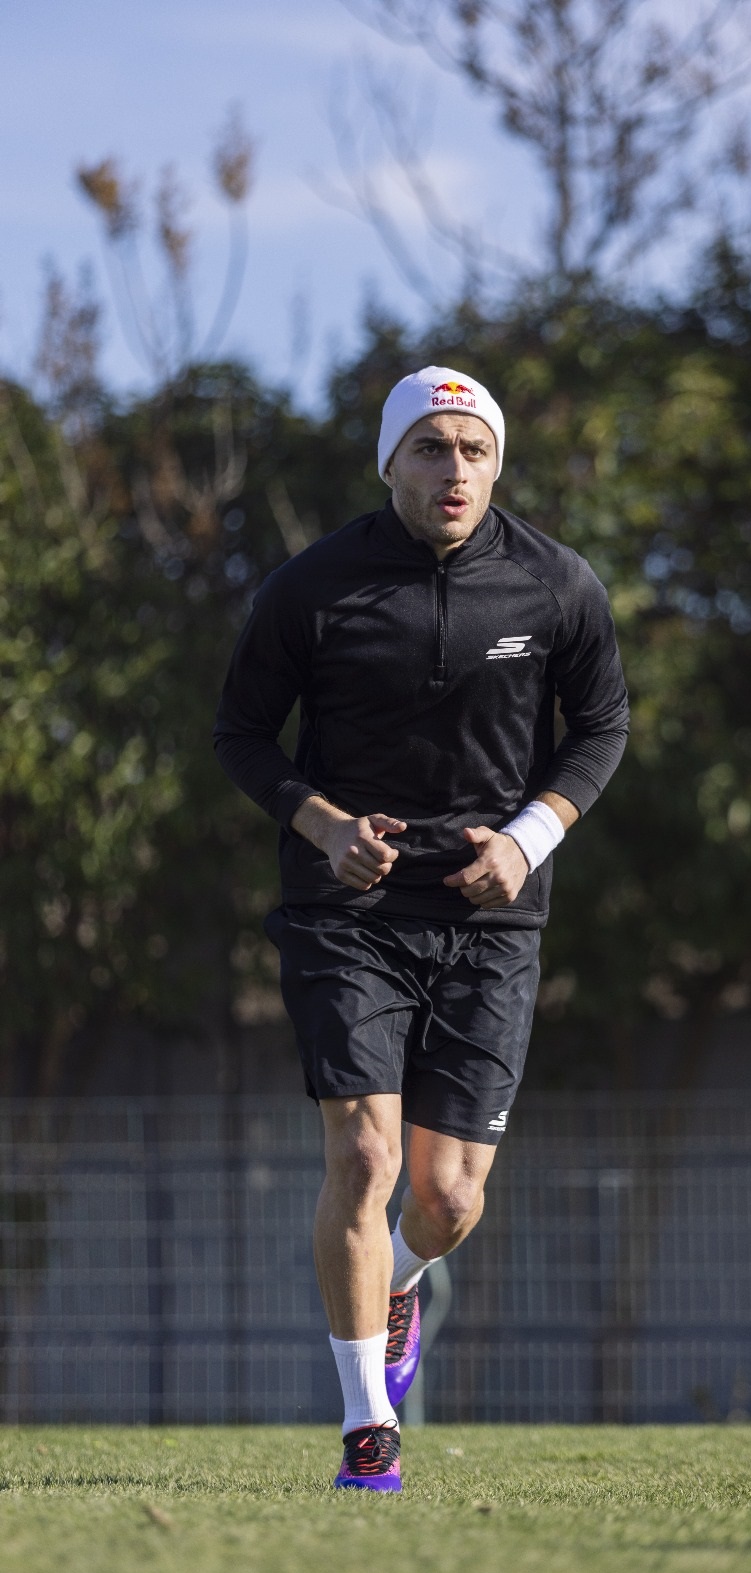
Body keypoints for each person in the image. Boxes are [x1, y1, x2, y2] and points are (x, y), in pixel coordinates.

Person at [214, 366, 628, 1491]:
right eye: (431, 447)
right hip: (346, 909)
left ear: (497, 464)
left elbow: (601, 726)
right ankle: (367, 1428)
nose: (455, 469)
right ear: (390, 461)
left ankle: (397, 1277)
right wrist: (322, 824)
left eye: (474, 449)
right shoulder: (310, 588)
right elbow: (242, 733)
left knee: (447, 1200)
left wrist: (525, 841)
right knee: (364, 1154)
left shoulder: (555, 583)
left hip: (491, 915)